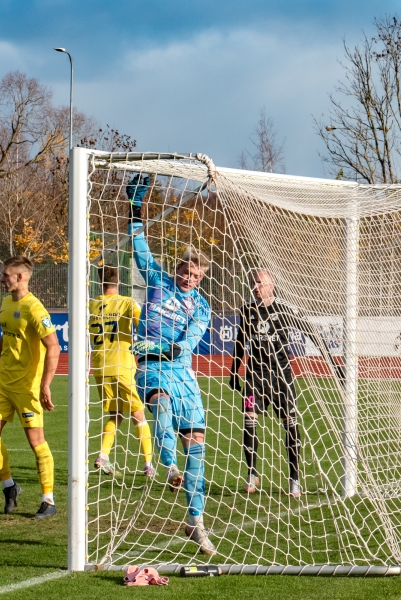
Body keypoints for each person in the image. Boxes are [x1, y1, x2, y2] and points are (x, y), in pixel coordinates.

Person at [125, 175, 215, 555]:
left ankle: (196, 522)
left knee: (197, 442)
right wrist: (135, 208)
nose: (187, 277)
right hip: (151, 368)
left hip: (182, 373)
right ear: (177, 268)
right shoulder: (158, 281)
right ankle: (169, 467)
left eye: (194, 274)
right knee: (159, 403)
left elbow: (188, 343)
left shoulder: (203, 307)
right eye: (184, 270)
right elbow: (139, 247)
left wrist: (167, 345)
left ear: (201, 277)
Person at [228, 269, 345, 497]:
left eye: (260, 283)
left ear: (272, 285)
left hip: (281, 377)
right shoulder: (247, 309)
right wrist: (234, 372)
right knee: (249, 420)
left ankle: (294, 478)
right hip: (255, 377)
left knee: (290, 424)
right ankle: (252, 473)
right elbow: (241, 341)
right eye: (254, 283)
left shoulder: (286, 310)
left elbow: (313, 334)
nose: (255, 287)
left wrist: (334, 365)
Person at [0, 256, 61, 519]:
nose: (1, 279)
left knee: (36, 442)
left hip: (27, 387)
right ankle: (9, 486)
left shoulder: (35, 309)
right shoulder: (5, 302)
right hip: (3, 381)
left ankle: (49, 500)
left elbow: (54, 346)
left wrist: (45, 384)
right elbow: (5, 340)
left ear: (20, 277)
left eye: (5, 275)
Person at [89, 264, 154, 477]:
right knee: (138, 415)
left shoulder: (91, 305)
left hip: (100, 367)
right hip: (123, 366)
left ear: (100, 281)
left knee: (115, 414)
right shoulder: (126, 303)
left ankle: (103, 456)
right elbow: (143, 324)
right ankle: (148, 465)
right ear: (119, 281)